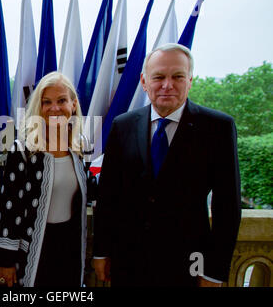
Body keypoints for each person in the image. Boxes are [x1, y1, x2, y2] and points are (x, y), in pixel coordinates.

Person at [93, 43, 241, 287]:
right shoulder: (123, 125)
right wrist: (101, 252)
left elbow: (228, 207)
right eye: (159, 76)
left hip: (188, 265)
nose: (167, 84)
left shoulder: (218, 128)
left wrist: (214, 272)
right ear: (144, 81)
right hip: (128, 262)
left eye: (178, 76)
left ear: (190, 80)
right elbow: (109, 196)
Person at [0, 72, 89, 287]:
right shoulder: (23, 151)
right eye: (47, 102)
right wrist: (6, 261)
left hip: (69, 249)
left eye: (62, 100)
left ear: (73, 105)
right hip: (31, 251)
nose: (55, 108)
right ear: (39, 107)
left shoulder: (80, 149)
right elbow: (10, 207)